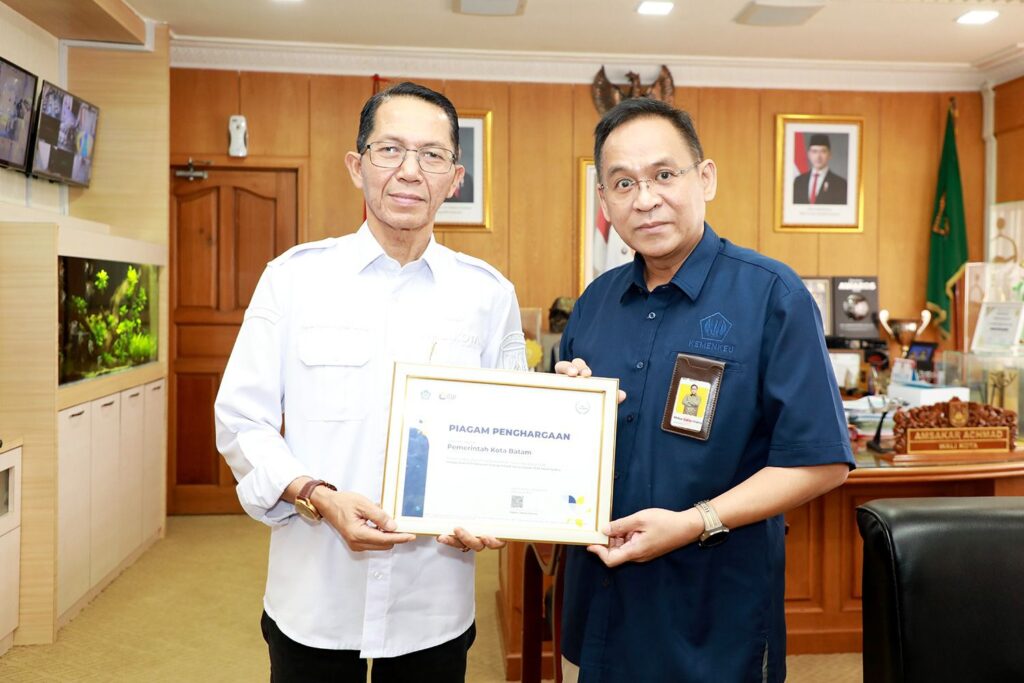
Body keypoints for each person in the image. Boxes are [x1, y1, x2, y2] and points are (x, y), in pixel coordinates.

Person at [214, 81, 526, 682]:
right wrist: (317, 495)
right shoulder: (293, 279)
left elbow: (505, 432)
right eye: (390, 150)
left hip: (432, 602)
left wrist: (497, 501)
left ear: (454, 179)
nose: (410, 170)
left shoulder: (489, 295)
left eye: (432, 155)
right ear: (357, 167)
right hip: (316, 599)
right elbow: (242, 419)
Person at [555, 97, 854, 682]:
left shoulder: (772, 295)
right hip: (602, 602)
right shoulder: (594, 303)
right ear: (605, 201)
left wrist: (694, 521)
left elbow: (821, 462)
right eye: (623, 183)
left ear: (706, 178)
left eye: (664, 174)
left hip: (715, 611)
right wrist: (564, 411)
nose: (645, 199)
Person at [792, 133, 848, 204]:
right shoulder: (798, 181)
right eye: (814, 151)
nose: (818, 156)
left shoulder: (840, 184)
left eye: (823, 151)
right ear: (809, 155)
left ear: (830, 155)